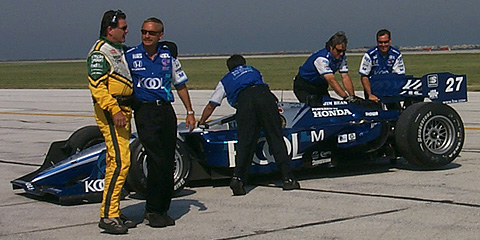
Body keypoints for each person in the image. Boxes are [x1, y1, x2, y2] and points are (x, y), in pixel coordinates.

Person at [125, 17, 196, 228]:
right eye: (144, 32)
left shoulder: (169, 57)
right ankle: (152, 209)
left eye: (151, 33)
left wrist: (190, 112)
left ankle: (161, 208)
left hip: (165, 110)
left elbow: (180, 85)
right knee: (156, 160)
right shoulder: (130, 56)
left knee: (167, 160)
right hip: (144, 111)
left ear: (160, 36)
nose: (147, 36)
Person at [198, 54, 300, 196]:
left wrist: (201, 122)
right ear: (244, 64)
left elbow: (212, 105)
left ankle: (238, 179)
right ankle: (288, 178)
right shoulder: (254, 70)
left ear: (229, 68)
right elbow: (265, 86)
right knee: (275, 137)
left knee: (245, 142)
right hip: (264, 96)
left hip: (245, 102)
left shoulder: (226, 80)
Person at [87, 10, 136, 234]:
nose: (127, 31)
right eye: (123, 28)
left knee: (119, 161)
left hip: (125, 109)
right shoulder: (99, 53)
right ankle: (107, 215)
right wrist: (115, 109)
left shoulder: (120, 50)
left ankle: (114, 210)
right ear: (110, 29)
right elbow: (98, 88)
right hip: (112, 111)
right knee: (119, 162)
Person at [294, 31, 356, 104]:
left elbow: (345, 76)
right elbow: (331, 80)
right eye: (339, 51)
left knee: (328, 105)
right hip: (305, 86)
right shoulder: (322, 58)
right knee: (312, 107)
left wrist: (352, 97)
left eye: (343, 51)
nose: (341, 53)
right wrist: (345, 97)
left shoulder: (342, 57)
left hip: (320, 85)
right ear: (331, 47)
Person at [359, 29, 405, 102]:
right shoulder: (370, 55)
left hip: (390, 89)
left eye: (385, 42)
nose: (383, 45)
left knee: (396, 110)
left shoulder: (396, 55)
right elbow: (364, 76)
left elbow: (399, 76)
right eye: (380, 42)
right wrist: (370, 94)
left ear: (390, 41)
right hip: (373, 89)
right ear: (377, 42)